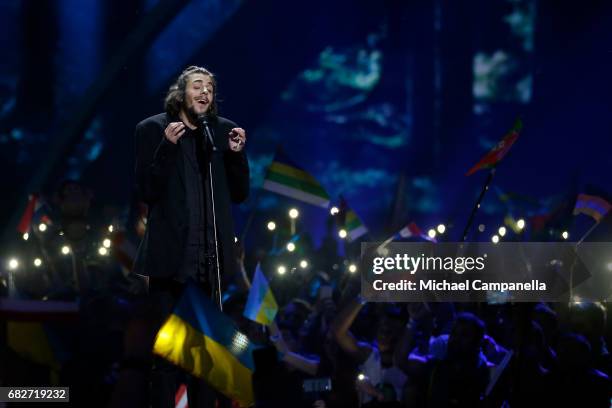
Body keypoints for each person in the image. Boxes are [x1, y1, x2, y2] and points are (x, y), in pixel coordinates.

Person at [132, 65, 249, 407]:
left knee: (205, 355)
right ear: (181, 93)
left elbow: (239, 193)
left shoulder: (222, 132)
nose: (205, 93)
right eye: (198, 86)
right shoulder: (153, 130)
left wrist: (238, 157)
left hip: (209, 264)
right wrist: (167, 148)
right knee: (169, 353)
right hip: (170, 262)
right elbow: (147, 190)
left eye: (210, 89)